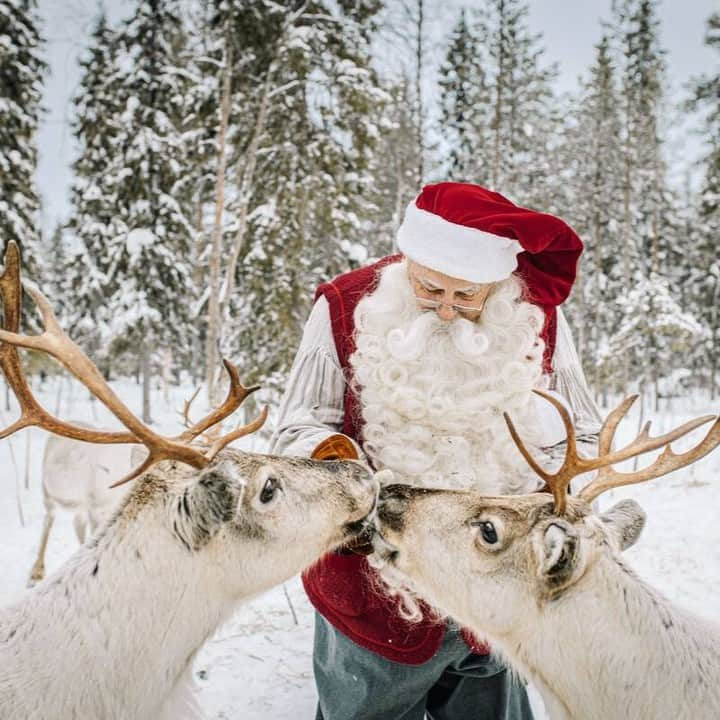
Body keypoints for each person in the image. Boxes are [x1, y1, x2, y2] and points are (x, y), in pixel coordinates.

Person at [269, 182, 601, 720]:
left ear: (497, 283)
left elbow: (582, 431)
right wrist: (336, 465)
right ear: (409, 262)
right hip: (370, 603)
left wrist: (561, 484)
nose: (447, 311)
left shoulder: (534, 315)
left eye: (467, 296)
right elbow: (297, 427)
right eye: (430, 290)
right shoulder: (343, 305)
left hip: (493, 604)